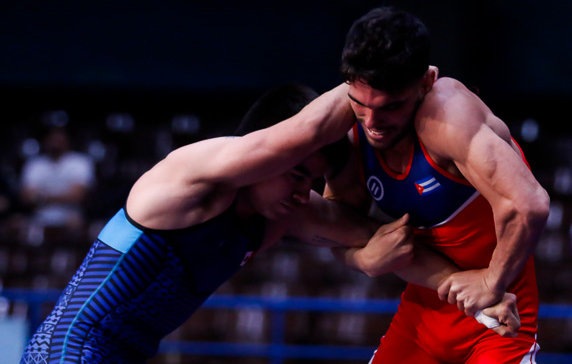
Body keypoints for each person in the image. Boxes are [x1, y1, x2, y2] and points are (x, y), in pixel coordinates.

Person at [20, 83, 519, 364]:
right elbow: (286, 138)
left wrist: (472, 289)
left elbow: (387, 244)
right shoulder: (188, 179)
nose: (304, 191)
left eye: (314, 179)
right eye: (298, 173)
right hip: (66, 352)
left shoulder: (284, 212)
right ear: (269, 150)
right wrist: (372, 76)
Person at [324, 7, 550, 363]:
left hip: (499, 320)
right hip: (422, 318)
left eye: (390, 107)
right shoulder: (351, 127)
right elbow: (328, 226)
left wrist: (493, 281)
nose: (373, 123)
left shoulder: (448, 114)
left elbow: (530, 204)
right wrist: (360, 258)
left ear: (426, 82)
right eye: (360, 105)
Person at [20, 126, 95, 234]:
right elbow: (26, 197)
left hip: (71, 216)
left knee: (78, 226)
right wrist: (64, 195)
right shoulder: (35, 164)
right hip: (39, 216)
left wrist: (42, 197)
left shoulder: (80, 162)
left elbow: (78, 195)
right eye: (52, 138)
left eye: (59, 139)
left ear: (67, 140)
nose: (56, 142)